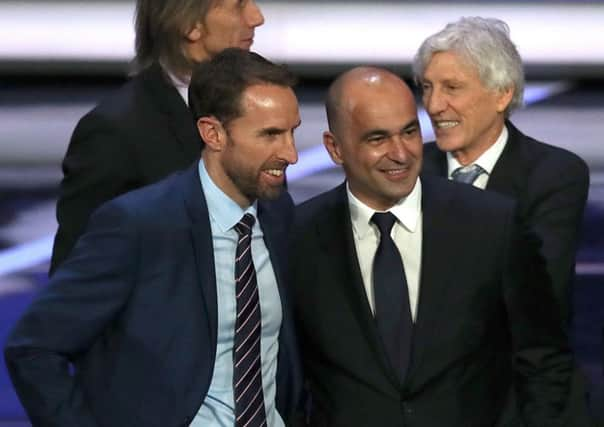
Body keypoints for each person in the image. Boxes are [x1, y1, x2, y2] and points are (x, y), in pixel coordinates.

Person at [5, 49, 302, 427]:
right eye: (271, 135)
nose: (290, 154)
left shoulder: (279, 215)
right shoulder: (138, 225)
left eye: (292, 131)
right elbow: (34, 348)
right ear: (213, 133)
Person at [290, 66, 571, 427]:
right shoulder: (299, 236)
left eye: (409, 132)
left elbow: (543, 358)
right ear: (335, 148)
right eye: (378, 139)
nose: (401, 153)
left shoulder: (491, 224)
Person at [415, 17, 592, 425]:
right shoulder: (406, 168)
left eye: (452, 88)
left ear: (501, 94)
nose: (434, 104)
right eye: (427, 87)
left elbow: (537, 297)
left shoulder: (553, 173)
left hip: (521, 400)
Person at [50, 0, 265, 274]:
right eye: (238, 5)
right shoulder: (115, 132)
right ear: (191, 26)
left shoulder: (261, 110)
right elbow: (77, 278)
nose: (257, 17)